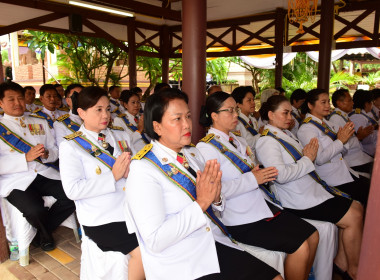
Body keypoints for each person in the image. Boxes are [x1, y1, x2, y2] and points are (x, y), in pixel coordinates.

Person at [125, 88, 282, 280]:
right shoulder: (144, 169)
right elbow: (156, 240)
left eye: (188, 116)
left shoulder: (191, 154)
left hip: (211, 242)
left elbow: (215, 203)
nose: (187, 125)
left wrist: (215, 198)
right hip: (181, 259)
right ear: (157, 127)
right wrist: (202, 203)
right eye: (177, 119)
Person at [197, 91, 319, 280]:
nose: (236, 115)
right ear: (214, 116)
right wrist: (254, 179)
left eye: (236, 110)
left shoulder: (237, 140)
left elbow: (249, 174)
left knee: (312, 234)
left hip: (259, 204)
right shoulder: (206, 148)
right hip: (238, 217)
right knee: (300, 245)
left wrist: (259, 175)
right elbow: (216, 191)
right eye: (229, 111)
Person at [256, 95, 364, 280]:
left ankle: (342, 262)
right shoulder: (266, 141)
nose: (290, 117)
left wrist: (307, 158)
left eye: (291, 112)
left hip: (309, 191)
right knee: (354, 215)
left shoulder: (286, 134)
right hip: (298, 199)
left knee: (357, 206)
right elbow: (281, 176)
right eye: (285, 113)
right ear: (271, 114)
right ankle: (353, 269)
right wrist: (308, 159)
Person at [59, 86, 144, 279]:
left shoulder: (121, 135)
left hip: (131, 211)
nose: (105, 114)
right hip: (101, 218)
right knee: (142, 253)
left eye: (107, 109)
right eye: (98, 109)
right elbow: (73, 190)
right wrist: (112, 176)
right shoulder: (71, 146)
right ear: (81, 112)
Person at [0, 82, 75, 251]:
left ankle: (41, 233)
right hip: (16, 179)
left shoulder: (39, 121)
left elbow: (55, 150)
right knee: (35, 211)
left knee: (74, 195)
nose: (17, 103)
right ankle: (45, 234)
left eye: (20, 98)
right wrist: (25, 158)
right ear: (1, 103)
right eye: (11, 99)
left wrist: (48, 154)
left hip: (45, 173)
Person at [297, 89, 371, 206]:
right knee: (369, 194)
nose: (328, 105)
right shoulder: (307, 129)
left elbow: (343, 151)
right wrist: (340, 141)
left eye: (328, 102)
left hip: (344, 171)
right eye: (323, 102)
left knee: (372, 188)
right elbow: (320, 159)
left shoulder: (327, 123)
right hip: (332, 179)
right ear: (310, 105)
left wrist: (343, 141)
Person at [328, 89, 373, 174]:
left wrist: (359, 136)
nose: (353, 103)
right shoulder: (336, 118)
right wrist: (359, 137)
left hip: (358, 156)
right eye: (349, 100)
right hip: (352, 160)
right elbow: (341, 144)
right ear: (339, 103)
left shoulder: (343, 116)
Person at [231, 86, 261, 164]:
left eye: (253, 99)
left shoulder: (253, 120)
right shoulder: (236, 122)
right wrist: (261, 134)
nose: (253, 103)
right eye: (249, 100)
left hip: (256, 161)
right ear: (238, 104)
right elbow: (245, 144)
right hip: (245, 162)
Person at [349, 89, 378, 157]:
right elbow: (364, 140)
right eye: (372, 102)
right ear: (366, 104)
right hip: (365, 154)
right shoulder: (358, 117)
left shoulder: (363, 114)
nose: (372, 105)